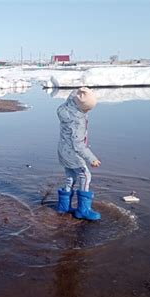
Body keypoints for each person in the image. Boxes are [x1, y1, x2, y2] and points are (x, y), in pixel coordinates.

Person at [56, 87, 101, 221]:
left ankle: (64, 207)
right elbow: (78, 145)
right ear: (82, 107)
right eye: (87, 109)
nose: (88, 111)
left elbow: (72, 100)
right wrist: (91, 158)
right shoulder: (77, 121)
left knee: (70, 176)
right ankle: (83, 210)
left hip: (63, 150)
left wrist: (76, 95)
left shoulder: (65, 109)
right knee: (85, 175)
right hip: (73, 153)